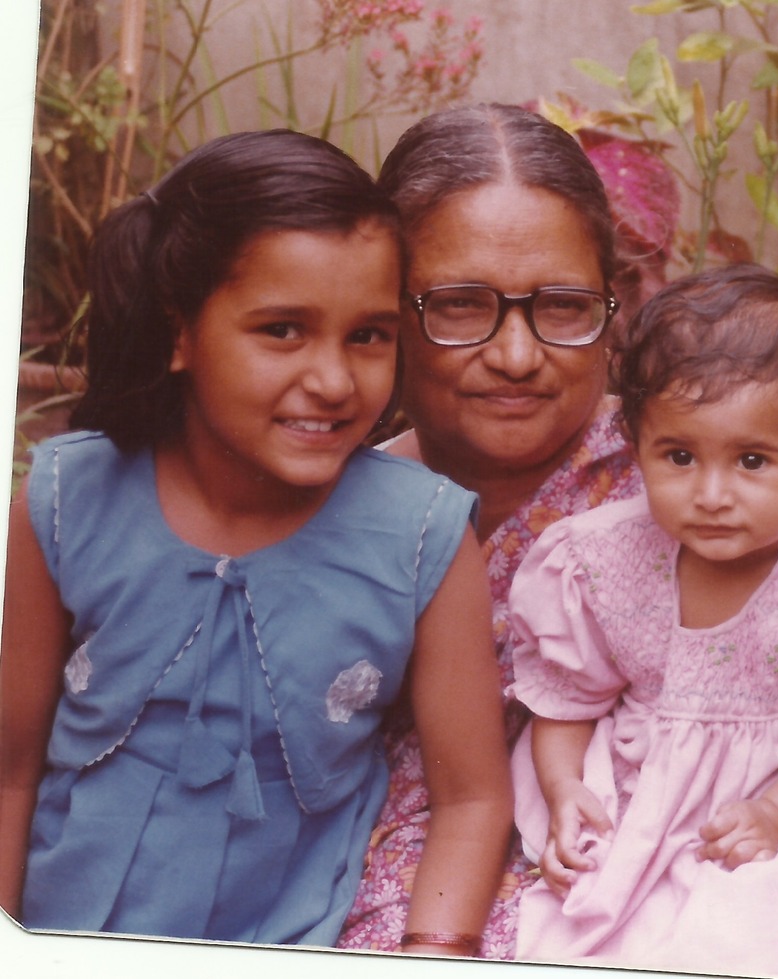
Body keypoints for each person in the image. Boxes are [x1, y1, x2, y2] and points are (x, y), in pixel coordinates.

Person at [0, 130, 511, 952]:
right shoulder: (64, 499)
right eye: (282, 330)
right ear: (179, 332)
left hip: (296, 939)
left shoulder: (425, 535)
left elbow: (472, 800)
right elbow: (11, 767)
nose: (335, 380)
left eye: (369, 335)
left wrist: (432, 953)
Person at [506, 264, 778, 976]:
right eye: (678, 456)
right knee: (573, 920)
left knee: (768, 925)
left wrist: (777, 812)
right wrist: (563, 789)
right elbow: (568, 697)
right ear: (636, 444)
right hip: (636, 782)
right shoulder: (601, 557)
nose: (710, 493)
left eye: (752, 460)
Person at [338, 103, 646, 957]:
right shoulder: (325, 500)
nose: (516, 355)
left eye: (563, 305)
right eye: (463, 305)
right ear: (388, 308)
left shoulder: (694, 486)